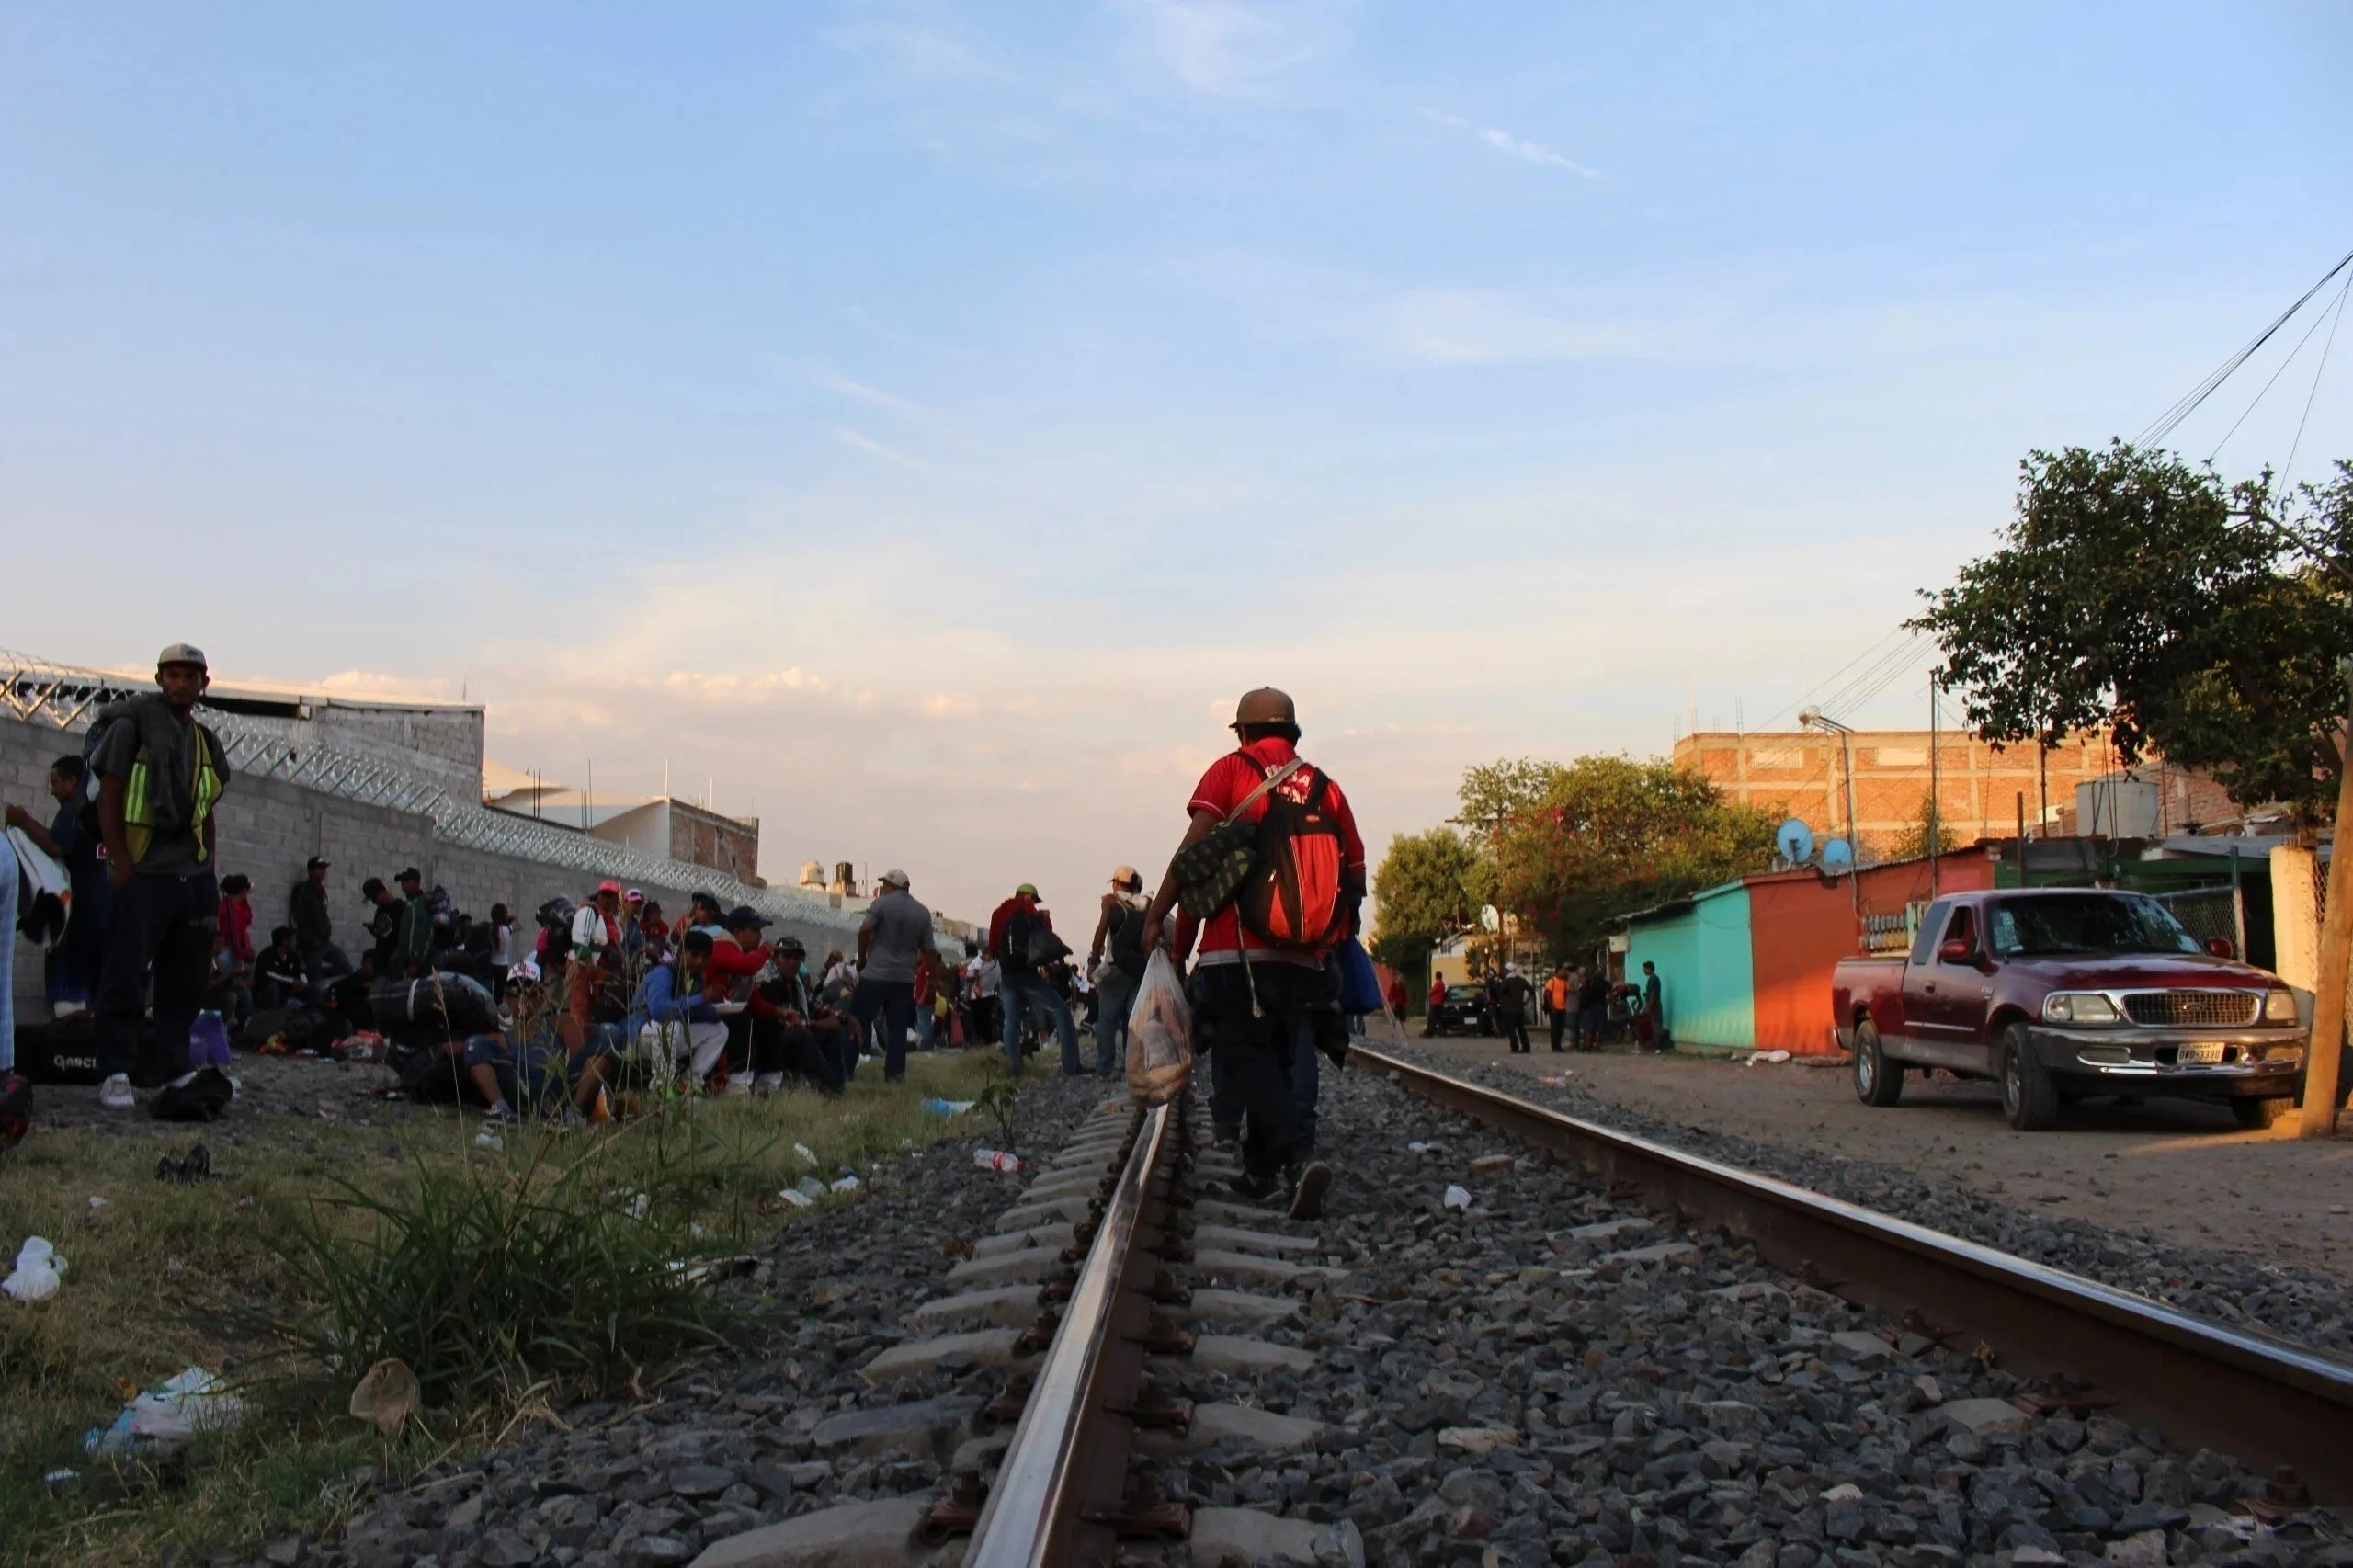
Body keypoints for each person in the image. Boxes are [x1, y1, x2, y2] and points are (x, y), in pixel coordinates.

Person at [1142, 687, 1360, 1221]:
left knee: (1246, 1058)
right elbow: (1354, 872)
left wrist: (1162, 923)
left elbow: (1195, 859)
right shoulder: (1327, 789)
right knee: (1280, 1058)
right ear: (1292, 733)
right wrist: (1331, 942)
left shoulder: (1232, 772)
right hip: (1306, 956)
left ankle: (1298, 1158)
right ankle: (1261, 1172)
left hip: (1237, 953)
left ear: (1243, 731)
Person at [90, 643, 233, 1108]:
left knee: (185, 981)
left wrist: (208, 870)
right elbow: (108, 796)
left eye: (189, 677)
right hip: (145, 871)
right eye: (172, 675)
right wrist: (121, 863)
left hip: (191, 876)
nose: (180, 684)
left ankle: (173, 1065)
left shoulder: (205, 741)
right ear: (159, 679)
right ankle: (114, 1071)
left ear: (203, 684)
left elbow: (206, 809)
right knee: (126, 974)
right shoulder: (129, 728)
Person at [6, 753, 111, 1016]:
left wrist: (24, 821)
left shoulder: (73, 809)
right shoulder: (100, 813)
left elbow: (56, 845)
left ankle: (68, 1032)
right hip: (104, 915)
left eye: (55, 783)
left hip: (77, 914)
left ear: (71, 782)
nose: (51, 790)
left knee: (69, 986)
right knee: (95, 985)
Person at [465, 968, 623, 1124]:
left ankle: (575, 1114)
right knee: (475, 1043)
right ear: (506, 998)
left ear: (541, 998)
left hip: (557, 1087)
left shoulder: (561, 1024)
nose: (522, 998)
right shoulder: (497, 1039)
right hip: (516, 1085)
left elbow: (584, 1065)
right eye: (515, 992)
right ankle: (502, 1110)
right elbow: (471, 1051)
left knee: (609, 1032)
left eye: (530, 992)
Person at [852, 869, 937, 1084]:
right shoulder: (922, 912)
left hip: (876, 974)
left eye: (884, 885)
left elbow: (865, 930)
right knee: (898, 1029)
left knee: (856, 1021)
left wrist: (861, 958)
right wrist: (934, 977)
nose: (882, 888)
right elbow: (929, 950)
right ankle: (895, 1076)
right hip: (904, 979)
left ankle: (846, 1069)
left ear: (891, 886)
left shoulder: (881, 904)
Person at [987, 882, 1078, 1075]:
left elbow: (993, 947)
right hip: (1027, 972)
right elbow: (1045, 937)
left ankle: (1014, 1068)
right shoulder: (1028, 908)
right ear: (1029, 897)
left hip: (1007, 973)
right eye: (1035, 900)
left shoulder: (997, 913)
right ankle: (1071, 1065)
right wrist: (1045, 917)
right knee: (1061, 1011)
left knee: (1011, 1022)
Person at [627, 928, 728, 1085]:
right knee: (669, 1026)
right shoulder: (664, 973)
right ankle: (661, 1086)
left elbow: (693, 1012)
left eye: (705, 957)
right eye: (694, 955)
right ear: (681, 953)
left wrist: (717, 1011)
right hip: (638, 1034)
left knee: (720, 1029)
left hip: (668, 1035)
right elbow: (660, 1012)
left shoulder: (696, 977)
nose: (699, 961)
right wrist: (702, 998)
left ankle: (689, 1084)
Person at [1087, 867, 1150, 1080]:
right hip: (1139, 968)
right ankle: (1133, 1065)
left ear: (1116, 883)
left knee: (1107, 1021)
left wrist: (1093, 959)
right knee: (1132, 1019)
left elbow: (1101, 930)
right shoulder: (1146, 903)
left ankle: (1105, 1068)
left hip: (1115, 969)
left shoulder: (1111, 901)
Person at [213, 872, 256, 1025]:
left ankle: (244, 1024)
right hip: (229, 951)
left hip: (239, 950)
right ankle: (228, 1021)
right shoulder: (228, 906)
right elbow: (232, 933)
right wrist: (239, 957)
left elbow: (248, 919)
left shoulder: (240, 905)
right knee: (231, 987)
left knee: (245, 990)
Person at [252, 925, 311, 1012]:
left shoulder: (293, 955)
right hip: (267, 995)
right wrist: (292, 981)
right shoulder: (266, 955)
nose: (296, 942)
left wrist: (303, 983)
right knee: (273, 988)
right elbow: (269, 974)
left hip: (289, 992)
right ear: (285, 942)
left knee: (313, 988)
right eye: (293, 939)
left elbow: (301, 972)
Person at [393, 868, 434, 972]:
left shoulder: (420, 902)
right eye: (402, 882)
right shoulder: (410, 903)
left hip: (420, 965)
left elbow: (421, 932)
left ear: (416, 882)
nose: (403, 885)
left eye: (406, 881)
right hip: (409, 964)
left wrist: (414, 962)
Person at [360, 877, 403, 968]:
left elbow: (405, 937)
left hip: (396, 962)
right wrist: (372, 930)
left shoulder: (401, 908)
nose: (373, 902)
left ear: (382, 891)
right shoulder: (381, 909)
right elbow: (382, 935)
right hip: (381, 959)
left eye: (374, 898)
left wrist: (395, 955)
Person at [1495, 964, 1532, 1054]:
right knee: (1521, 1029)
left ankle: (1515, 1048)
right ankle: (1526, 1047)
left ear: (1507, 971)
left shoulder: (1506, 981)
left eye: (1505, 970)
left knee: (1511, 1030)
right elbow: (1532, 991)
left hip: (1509, 1010)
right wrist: (1526, 1002)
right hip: (1519, 1010)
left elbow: (1499, 992)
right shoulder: (1521, 980)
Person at [1577, 966, 1608, 1053]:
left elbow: (1582, 991)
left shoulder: (1590, 981)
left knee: (1589, 1028)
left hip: (1589, 1008)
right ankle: (1597, 1047)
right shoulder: (1605, 983)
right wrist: (1606, 1001)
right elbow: (1609, 995)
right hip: (1600, 1007)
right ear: (1604, 973)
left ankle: (1587, 1047)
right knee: (1599, 1028)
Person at [1545, 966, 1573, 1053]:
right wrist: (1552, 1007)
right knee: (1554, 1028)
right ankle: (1554, 1046)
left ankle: (1558, 1045)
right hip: (1554, 1008)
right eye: (1562, 971)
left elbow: (1566, 993)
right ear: (1557, 972)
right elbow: (1548, 994)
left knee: (1560, 1028)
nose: (1564, 973)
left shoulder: (1565, 982)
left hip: (1562, 1008)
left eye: (1565, 972)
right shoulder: (1552, 981)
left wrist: (1564, 1003)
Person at [1639, 960, 1665, 1052]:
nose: (1644, 971)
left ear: (1649, 969)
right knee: (1654, 1025)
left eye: (1645, 969)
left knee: (1657, 1025)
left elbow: (1653, 994)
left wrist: (1649, 1007)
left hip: (1655, 1005)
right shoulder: (1651, 979)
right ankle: (1654, 1046)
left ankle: (1658, 1048)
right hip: (1652, 1005)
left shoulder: (1654, 979)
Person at [1422, 972, 1447, 1038]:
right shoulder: (1442, 984)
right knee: (1438, 1018)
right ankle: (1441, 1032)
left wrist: (1429, 992)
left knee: (1431, 1018)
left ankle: (1429, 1033)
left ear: (1436, 977)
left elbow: (1431, 991)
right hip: (1439, 1003)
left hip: (1435, 1003)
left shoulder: (1438, 983)